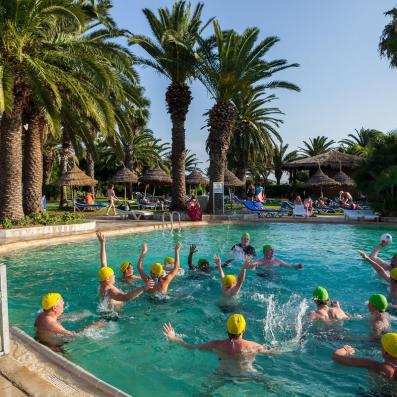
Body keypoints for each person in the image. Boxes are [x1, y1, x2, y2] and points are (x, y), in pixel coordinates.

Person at [163, 314, 277, 375]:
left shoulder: (216, 345)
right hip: (247, 373)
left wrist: (174, 338)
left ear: (227, 329)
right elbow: (272, 353)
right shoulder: (254, 346)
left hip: (224, 373)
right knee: (270, 384)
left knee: (206, 391)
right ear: (243, 330)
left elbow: (190, 347)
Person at [96, 232, 154, 306]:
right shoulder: (110, 290)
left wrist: (102, 243)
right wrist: (143, 288)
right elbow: (125, 298)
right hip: (114, 316)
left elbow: (103, 263)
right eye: (112, 275)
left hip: (106, 310)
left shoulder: (102, 284)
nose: (114, 276)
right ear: (107, 278)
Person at [34, 293, 105, 351]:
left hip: (40, 340)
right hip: (53, 347)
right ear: (55, 308)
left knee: (62, 318)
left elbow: (38, 325)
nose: (63, 304)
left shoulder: (42, 315)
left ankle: (83, 314)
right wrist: (93, 326)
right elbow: (73, 336)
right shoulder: (52, 324)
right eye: (62, 304)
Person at [331, 333, 397, 380]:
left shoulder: (376, 366)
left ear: (386, 353)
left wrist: (345, 349)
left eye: (382, 347)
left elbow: (336, 357)